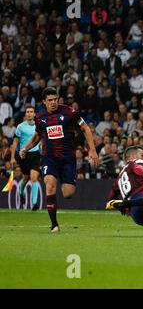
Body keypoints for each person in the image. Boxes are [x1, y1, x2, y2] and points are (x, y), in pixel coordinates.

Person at [19, 87, 99, 232]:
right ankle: (54, 225)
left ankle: (65, 179)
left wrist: (92, 149)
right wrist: (25, 148)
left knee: (68, 194)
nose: (54, 102)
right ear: (44, 101)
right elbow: (38, 136)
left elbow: (85, 128)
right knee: (50, 185)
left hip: (68, 159)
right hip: (49, 158)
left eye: (55, 99)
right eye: (50, 100)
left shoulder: (69, 112)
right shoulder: (40, 117)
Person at [10, 107, 41, 211]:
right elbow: (14, 142)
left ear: (34, 114)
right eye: (27, 112)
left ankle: (34, 204)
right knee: (25, 178)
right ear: (25, 114)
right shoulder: (20, 127)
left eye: (31, 112)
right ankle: (21, 192)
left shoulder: (38, 126)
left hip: (36, 154)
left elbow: (41, 138)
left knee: (34, 178)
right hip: (24, 155)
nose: (29, 114)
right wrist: (12, 158)